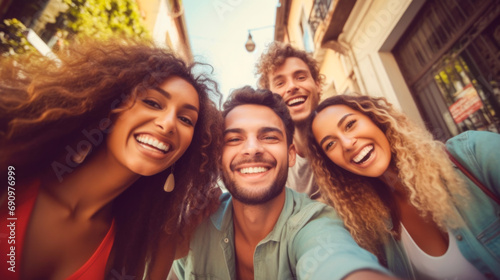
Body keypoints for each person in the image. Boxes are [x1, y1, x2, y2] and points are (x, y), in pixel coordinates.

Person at [0, 37, 222, 279]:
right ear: (109, 106)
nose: (168, 124)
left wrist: (169, 237)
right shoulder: (13, 178)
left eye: (186, 119)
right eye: (152, 102)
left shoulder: (126, 247)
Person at [172, 87, 396, 280]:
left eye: (269, 137)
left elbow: (336, 259)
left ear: (291, 155)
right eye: (234, 139)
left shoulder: (315, 223)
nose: (252, 149)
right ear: (217, 156)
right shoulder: (193, 223)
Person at [307, 94, 500, 279]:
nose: (347, 144)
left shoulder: (473, 153)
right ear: (333, 165)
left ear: (376, 119)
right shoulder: (375, 233)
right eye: (331, 144)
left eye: (350, 124)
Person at [256, 42, 322, 199]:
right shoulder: (269, 159)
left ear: (317, 85)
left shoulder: (342, 136)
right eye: (280, 83)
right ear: (270, 96)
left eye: (300, 77)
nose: (292, 87)